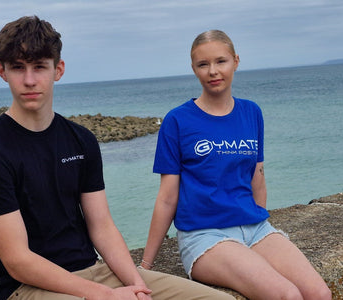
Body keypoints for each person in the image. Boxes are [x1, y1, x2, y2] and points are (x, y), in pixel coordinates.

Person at [0, 16, 234, 300]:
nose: (30, 80)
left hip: (95, 271)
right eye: (18, 68)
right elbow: (18, 261)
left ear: (58, 70)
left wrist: (136, 285)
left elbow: (102, 226)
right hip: (30, 287)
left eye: (39, 67)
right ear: (2, 71)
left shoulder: (81, 140)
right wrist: (104, 295)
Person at [141, 30, 332, 300]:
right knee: (286, 295)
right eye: (203, 64)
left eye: (221, 61)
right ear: (193, 68)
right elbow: (167, 197)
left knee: (319, 293)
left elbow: (258, 177)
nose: (213, 71)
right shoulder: (177, 121)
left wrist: (259, 226)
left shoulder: (251, 112)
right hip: (204, 235)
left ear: (236, 61)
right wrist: (144, 267)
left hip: (255, 228)